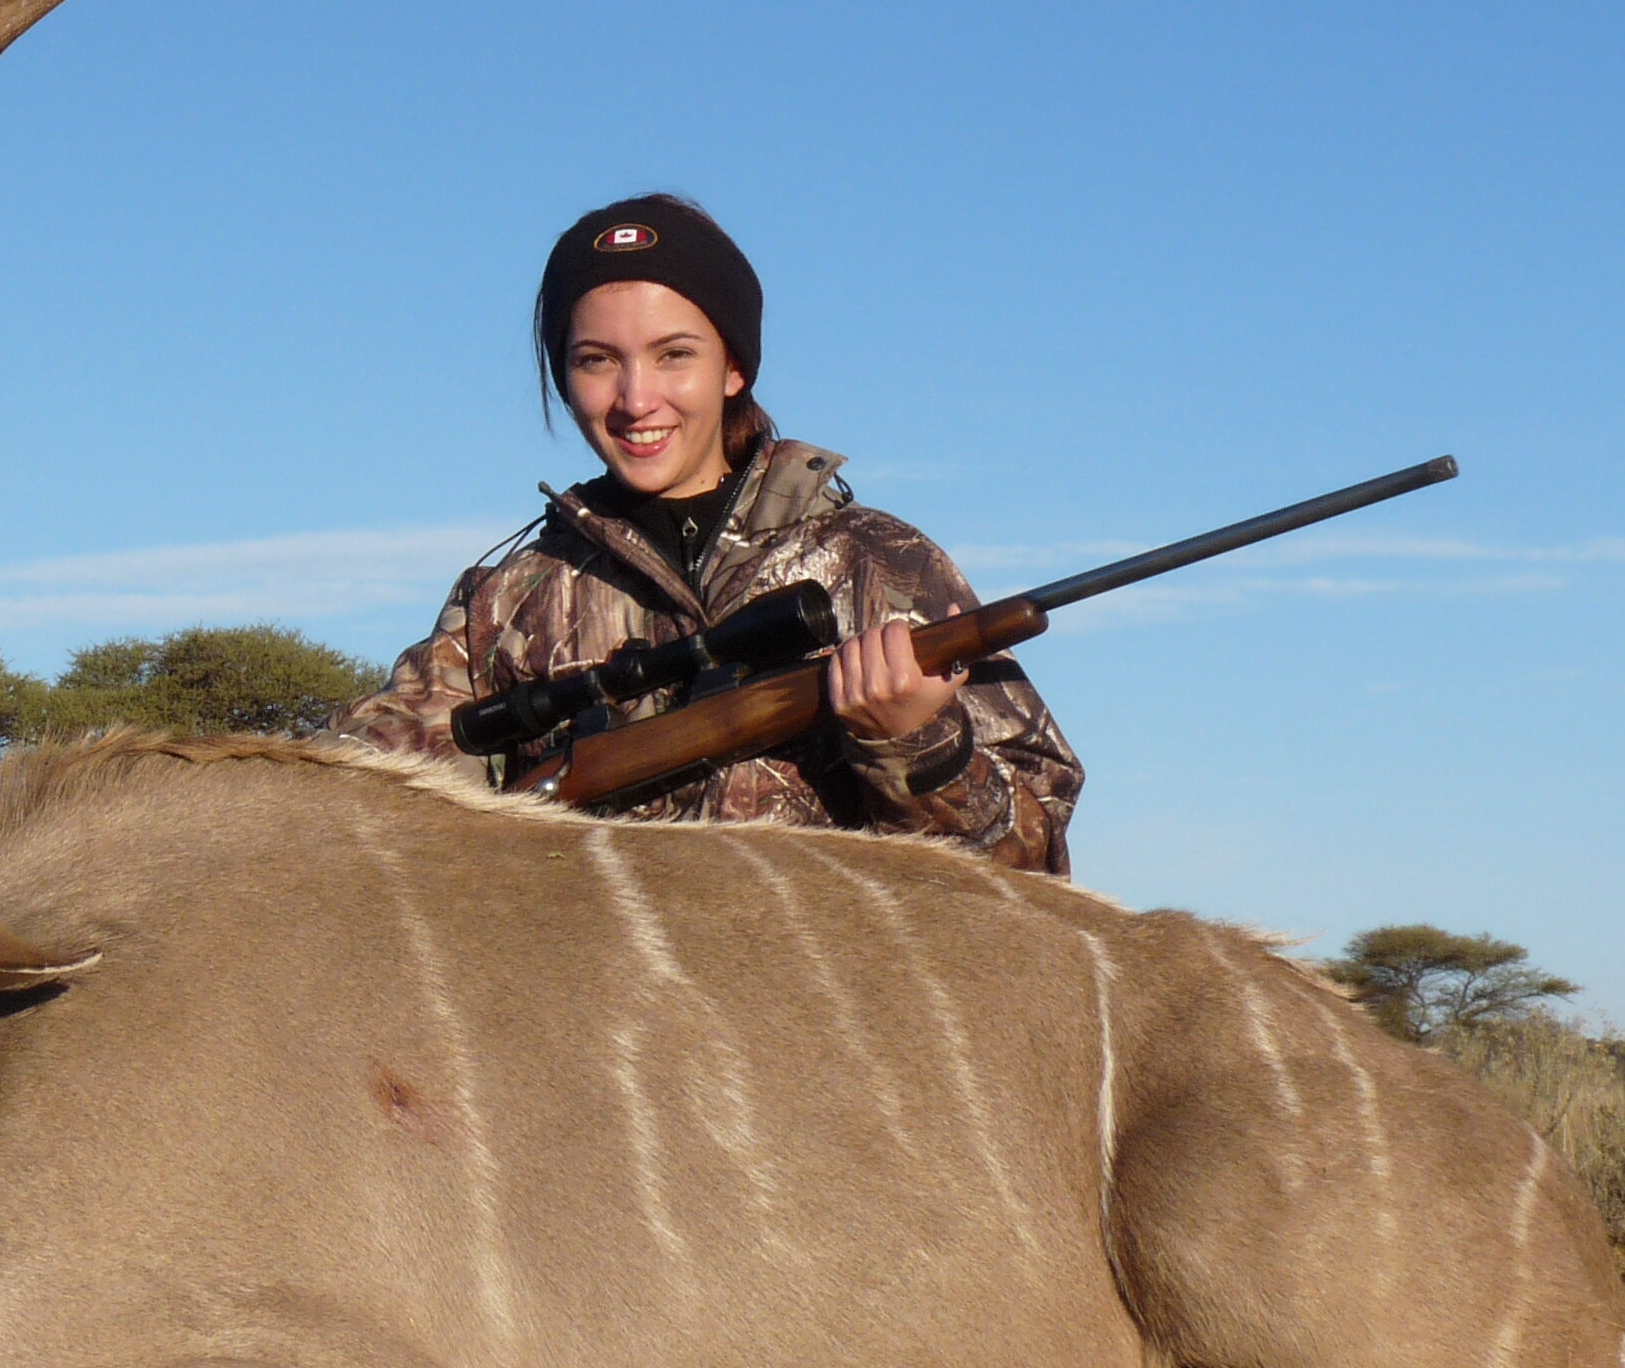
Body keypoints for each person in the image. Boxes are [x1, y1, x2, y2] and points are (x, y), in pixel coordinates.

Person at [344, 193, 1080, 872]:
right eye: (596, 361)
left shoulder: (882, 564)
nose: (636, 399)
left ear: (734, 367)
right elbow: (360, 799)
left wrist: (920, 745)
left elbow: (1035, 870)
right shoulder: (503, 600)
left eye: (675, 355)